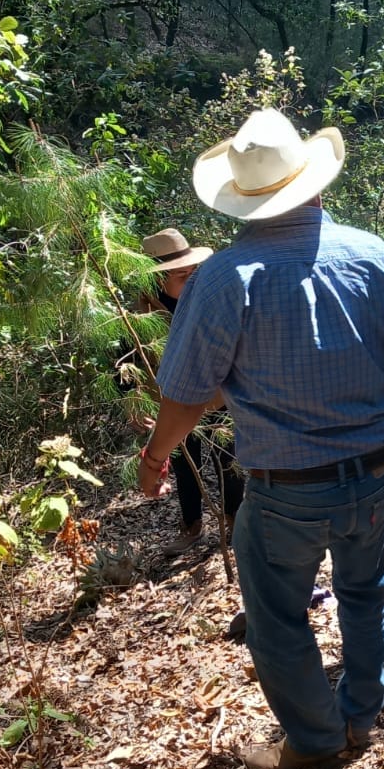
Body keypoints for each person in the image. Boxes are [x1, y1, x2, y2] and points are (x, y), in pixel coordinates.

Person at [137, 109, 384, 769]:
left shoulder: (224, 278)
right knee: (365, 595)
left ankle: (313, 737)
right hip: (371, 476)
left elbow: (187, 392)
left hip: (285, 492)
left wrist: (158, 457)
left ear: (243, 197)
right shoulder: (369, 254)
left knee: (277, 620)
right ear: (314, 182)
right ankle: (359, 715)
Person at [128, 228, 247, 555]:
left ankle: (236, 521)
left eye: (193, 271)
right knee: (184, 465)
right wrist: (134, 401)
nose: (192, 278)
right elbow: (126, 365)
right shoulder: (140, 319)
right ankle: (192, 527)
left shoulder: (208, 301)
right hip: (173, 404)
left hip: (219, 396)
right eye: (182, 275)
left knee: (228, 458)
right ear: (157, 281)